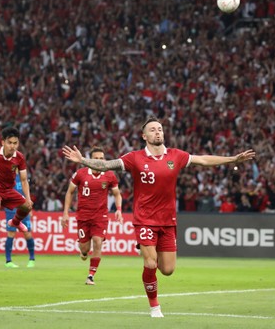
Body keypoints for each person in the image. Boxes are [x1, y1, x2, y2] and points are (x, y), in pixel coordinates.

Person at [62, 117, 256, 318]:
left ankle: (148, 256)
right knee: (151, 263)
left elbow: (203, 159)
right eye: (153, 130)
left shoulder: (175, 156)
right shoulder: (135, 158)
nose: (158, 132)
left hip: (168, 221)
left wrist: (233, 159)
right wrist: (83, 161)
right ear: (144, 136)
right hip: (144, 219)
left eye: (160, 129)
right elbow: (107, 164)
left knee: (168, 269)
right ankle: (155, 307)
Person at [60, 146, 123, 285]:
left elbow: (117, 194)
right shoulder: (80, 174)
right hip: (83, 216)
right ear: (90, 159)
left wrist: (118, 209)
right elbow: (69, 192)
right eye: (96, 158)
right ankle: (83, 253)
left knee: (98, 241)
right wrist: (65, 213)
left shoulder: (110, 175)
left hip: (100, 216)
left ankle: (91, 275)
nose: (99, 161)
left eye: (101, 158)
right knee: (85, 249)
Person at [4, 172, 36, 268]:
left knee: (27, 233)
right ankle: (8, 261)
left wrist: (29, 207)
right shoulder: (7, 175)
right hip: (11, 208)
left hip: (23, 206)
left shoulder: (23, 175)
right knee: (11, 233)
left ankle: (32, 259)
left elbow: (27, 192)